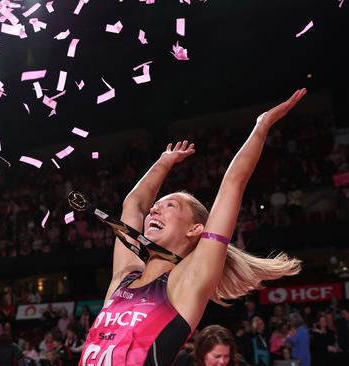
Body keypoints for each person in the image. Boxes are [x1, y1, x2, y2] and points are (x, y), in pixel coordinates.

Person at [81, 89, 305, 365]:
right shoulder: (123, 279)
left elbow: (233, 183)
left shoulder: (185, 285)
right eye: (157, 204)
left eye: (170, 205)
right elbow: (135, 205)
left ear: (195, 229)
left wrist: (261, 126)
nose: (155, 208)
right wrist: (162, 163)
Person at [174, 325, 245, 366]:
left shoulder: (237, 363)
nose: (222, 362)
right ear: (202, 353)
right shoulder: (185, 359)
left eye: (226, 356)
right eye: (217, 356)